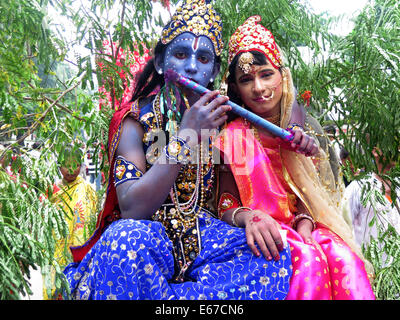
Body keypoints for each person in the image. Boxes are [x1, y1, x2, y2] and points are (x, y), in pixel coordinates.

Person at [62, 0, 297, 300]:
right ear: (161, 62)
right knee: (124, 241)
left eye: (203, 59)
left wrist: (246, 218)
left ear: (213, 70)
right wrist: (186, 137)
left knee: (272, 258)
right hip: (147, 238)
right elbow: (133, 208)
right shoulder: (135, 120)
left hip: (204, 238)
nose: (191, 67)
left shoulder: (225, 121)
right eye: (181, 54)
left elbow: (225, 201)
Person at [214, 15, 375, 300]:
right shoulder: (232, 135)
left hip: (302, 228)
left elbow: (310, 200)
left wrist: (305, 223)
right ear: (235, 88)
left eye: (266, 74)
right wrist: (249, 217)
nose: (259, 88)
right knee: (307, 261)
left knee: (345, 259)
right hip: (258, 232)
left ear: (282, 76)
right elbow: (224, 204)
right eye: (246, 80)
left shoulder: (302, 129)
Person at [43, 145, 98, 299]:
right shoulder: (52, 191)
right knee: (53, 288)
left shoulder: (86, 189)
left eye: (75, 165)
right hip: (55, 248)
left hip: (78, 249)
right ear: (59, 166)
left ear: (81, 166)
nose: (71, 169)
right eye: (66, 165)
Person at [342, 147, 400, 265]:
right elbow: (343, 228)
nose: (398, 149)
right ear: (376, 150)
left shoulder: (397, 182)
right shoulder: (357, 188)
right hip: (374, 272)